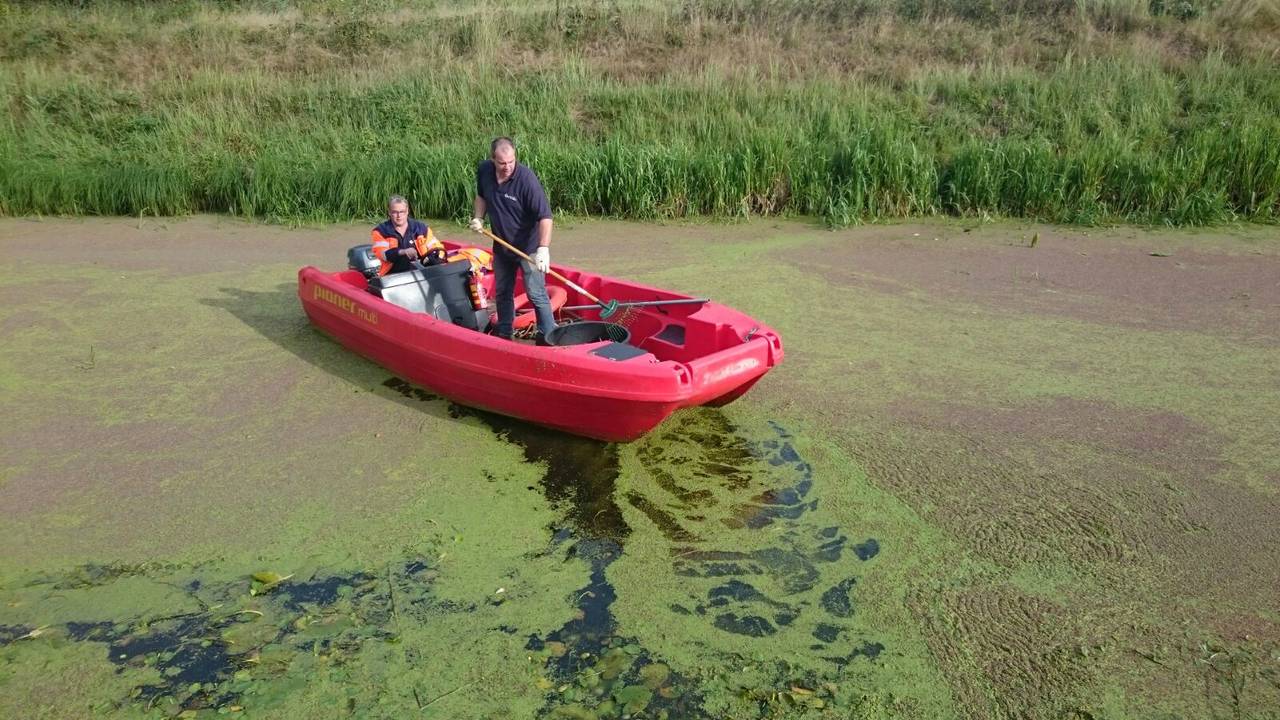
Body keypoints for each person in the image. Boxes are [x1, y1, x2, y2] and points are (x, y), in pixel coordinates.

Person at [469, 137, 556, 342]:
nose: (508, 167)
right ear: (493, 159)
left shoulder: (526, 180)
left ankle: (548, 335)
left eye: (511, 161)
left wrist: (543, 249)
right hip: (502, 246)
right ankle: (505, 333)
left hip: (529, 248)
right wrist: (478, 217)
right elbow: (481, 196)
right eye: (502, 163)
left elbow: (545, 217)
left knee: (536, 293)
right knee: (502, 292)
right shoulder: (485, 170)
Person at [371, 195, 445, 276]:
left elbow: (437, 247)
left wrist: (432, 258)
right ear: (389, 212)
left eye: (402, 212)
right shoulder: (380, 231)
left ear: (407, 211)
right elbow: (383, 255)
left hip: (421, 271)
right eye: (395, 212)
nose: (399, 216)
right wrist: (403, 252)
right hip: (392, 275)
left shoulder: (422, 228)